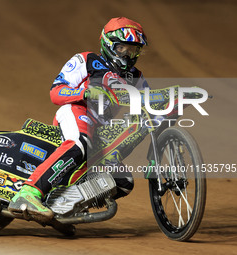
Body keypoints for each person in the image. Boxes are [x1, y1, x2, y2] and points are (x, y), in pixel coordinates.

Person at [8, 17, 149, 224]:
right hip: (76, 111)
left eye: (133, 50)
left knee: (122, 181)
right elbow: (55, 91)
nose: (128, 55)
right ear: (109, 44)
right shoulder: (87, 60)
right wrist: (85, 91)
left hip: (100, 128)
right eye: (122, 49)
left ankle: (61, 207)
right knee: (81, 143)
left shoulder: (136, 76)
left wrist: (179, 98)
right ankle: (28, 193)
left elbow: (149, 101)